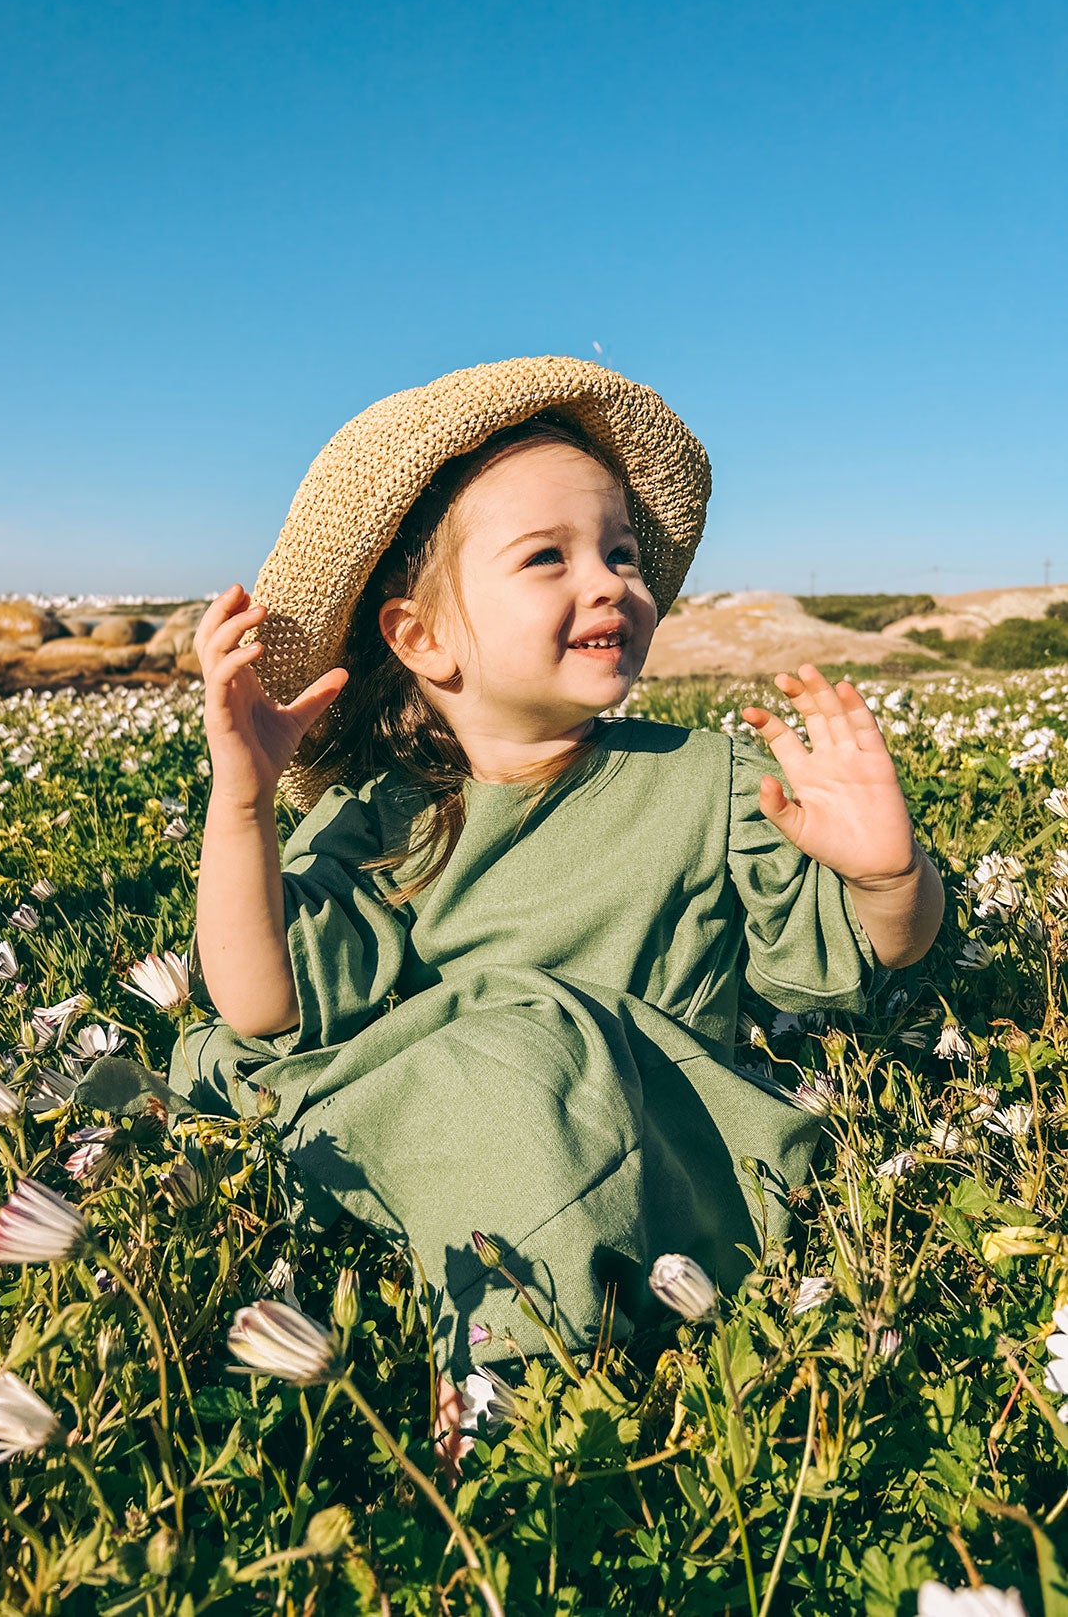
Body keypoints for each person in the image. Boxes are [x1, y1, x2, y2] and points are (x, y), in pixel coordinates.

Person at [176, 355, 946, 1467]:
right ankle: (509, 1370)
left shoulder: (709, 781)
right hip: (441, 1140)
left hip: (664, 1143)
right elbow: (260, 1006)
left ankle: (511, 1388)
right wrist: (240, 799)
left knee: (530, 1030)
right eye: (549, 558)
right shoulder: (386, 820)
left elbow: (849, 967)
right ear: (422, 639)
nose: (612, 584)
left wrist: (884, 877)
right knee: (493, 1046)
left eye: (622, 553)